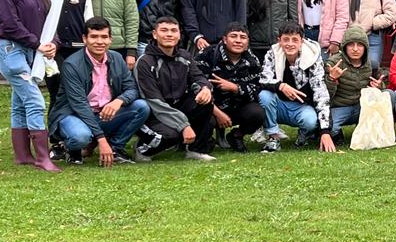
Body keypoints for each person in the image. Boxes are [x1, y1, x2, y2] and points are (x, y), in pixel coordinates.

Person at [0, 0, 61, 172]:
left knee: (20, 102)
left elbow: (47, 22)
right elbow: (10, 24)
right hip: (10, 51)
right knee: (34, 100)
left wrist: (52, 44)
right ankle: (42, 157)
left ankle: (22, 156)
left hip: (30, 50)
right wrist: (37, 44)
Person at [48, 17, 150, 166]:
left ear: (110, 39)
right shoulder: (71, 64)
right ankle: (72, 148)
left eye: (104, 37)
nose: (99, 42)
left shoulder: (117, 58)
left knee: (141, 107)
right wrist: (101, 139)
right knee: (80, 136)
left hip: (102, 114)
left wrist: (118, 101)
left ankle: (115, 149)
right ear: (85, 39)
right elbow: (79, 105)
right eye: (94, 37)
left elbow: (132, 88)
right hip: (74, 114)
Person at [134, 16, 216, 162]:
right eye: (164, 30)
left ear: (179, 35)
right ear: (154, 34)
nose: (169, 34)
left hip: (176, 107)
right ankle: (142, 149)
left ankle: (195, 150)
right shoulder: (145, 62)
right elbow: (155, 102)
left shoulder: (185, 55)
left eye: (173, 31)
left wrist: (205, 88)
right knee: (173, 133)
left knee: (205, 99)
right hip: (152, 113)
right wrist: (183, 125)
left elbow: (198, 77)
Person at [324, 24, 396, 144]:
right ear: (344, 47)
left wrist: (379, 87)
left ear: (365, 48)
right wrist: (331, 78)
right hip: (340, 106)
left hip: (362, 106)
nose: (355, 49)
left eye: (360, 45)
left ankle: (376, 130)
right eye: (351, 45)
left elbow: (381, 84)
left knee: (388, 94)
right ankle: (337, 133)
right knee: (328, 127)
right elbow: (325, 95)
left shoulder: (371, 64)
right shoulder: (333, 63)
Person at [257, 21, 336, 152]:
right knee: (264, 96)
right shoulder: (272, 53)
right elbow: (263, 79)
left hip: (302, 106)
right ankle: (273, 138)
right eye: (286, 39)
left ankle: (305, 133)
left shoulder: (313, 57)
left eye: (295, 40)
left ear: (301, 41)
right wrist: (280, 86)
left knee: (310, 121)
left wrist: (325, 131)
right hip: (279, 105)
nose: (290, 44)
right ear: (279, 41)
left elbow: (320, 91)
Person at [196, 22, 265, 153]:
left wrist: (236, 87)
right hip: (211, 109)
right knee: (204, 118)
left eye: (243, 37)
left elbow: (258, 88)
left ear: (247, 41)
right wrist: (218, 113)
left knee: (257, 113)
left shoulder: (252, 60)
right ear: (224, 39)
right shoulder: (207, 55)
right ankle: (204, 139)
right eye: (234, 36)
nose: (238, 41)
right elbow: (195, 87)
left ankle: (236, 136)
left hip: (236, 107)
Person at [41, 0, 94, 102]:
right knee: (57, 93)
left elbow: (89, 18)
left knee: (78, 93)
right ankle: (55, 126)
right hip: (51, 49)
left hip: (77, 48)